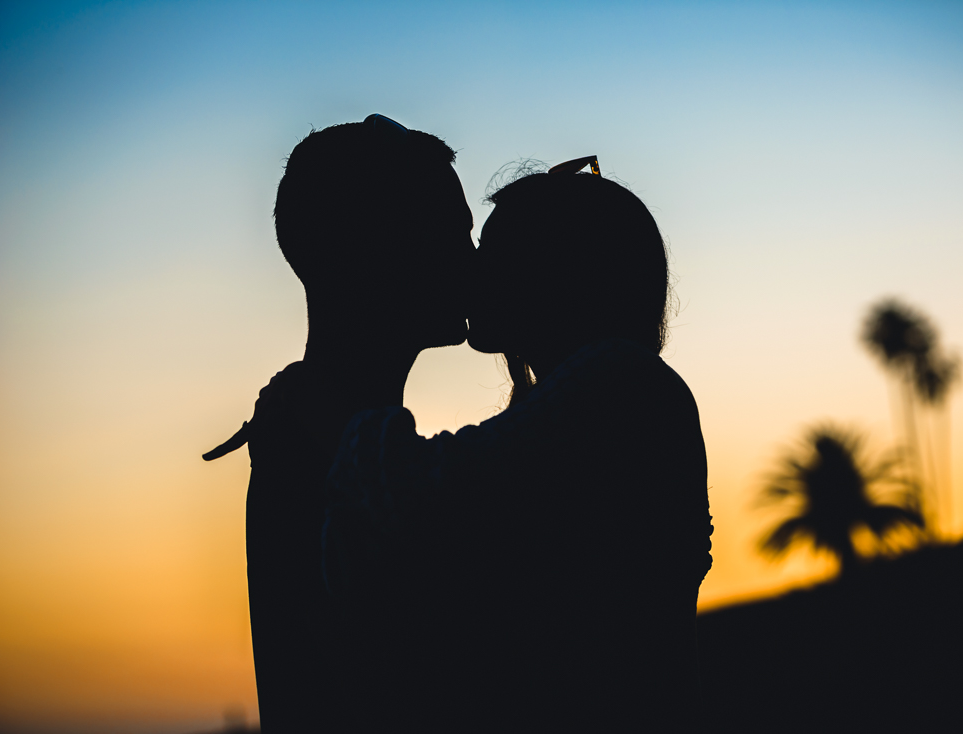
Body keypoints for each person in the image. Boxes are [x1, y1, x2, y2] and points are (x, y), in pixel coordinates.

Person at [323, 158, 713, 731]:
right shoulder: (601, 397)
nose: (471, 267)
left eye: (494, 248)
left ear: (560, 270)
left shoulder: (622, 382)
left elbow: (414, 489)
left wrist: (325, 412)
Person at [203, 114, 475, 732]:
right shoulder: (320, 455)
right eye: (453, 233)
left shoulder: (332, 433)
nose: (473, 256)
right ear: (381, 251)